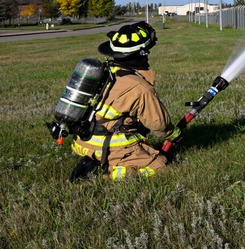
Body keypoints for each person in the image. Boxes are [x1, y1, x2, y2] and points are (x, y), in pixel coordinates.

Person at [69, 21, 178, 181]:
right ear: (142, 54)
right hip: (110, 146)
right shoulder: (139, 87)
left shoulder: (106, 72)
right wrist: (174, 134)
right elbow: (159, 125)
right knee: (160, 165)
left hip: (83, 141)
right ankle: (105, 174)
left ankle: (96, 160)